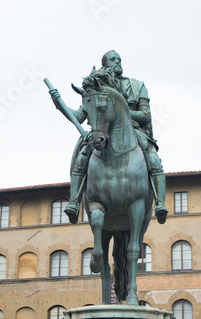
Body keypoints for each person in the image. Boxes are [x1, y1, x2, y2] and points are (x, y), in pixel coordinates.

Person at [49, 50, 168, 224]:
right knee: (82, 155)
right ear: (105, 64)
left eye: (119, 59)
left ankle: (159, 203)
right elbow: (79, 116)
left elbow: (146, 115)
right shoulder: (96, 88)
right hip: (100, 130)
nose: (118, 62)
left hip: (132, 131)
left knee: (153, 157)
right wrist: (59, 105)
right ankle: (74, 201)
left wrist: (124, 113)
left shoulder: (137, 85)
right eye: (113, 59)